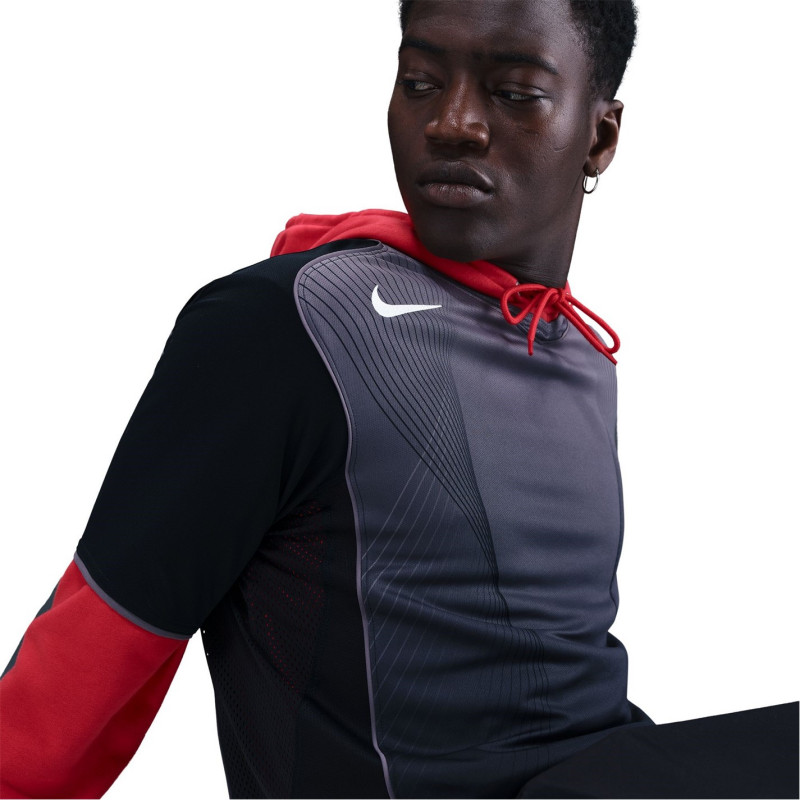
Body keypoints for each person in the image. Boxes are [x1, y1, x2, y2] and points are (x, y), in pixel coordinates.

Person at [1, 2, 797, 798]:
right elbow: (82, 669)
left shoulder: (579, 352)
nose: (452, 123)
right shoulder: (285, 328)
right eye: (419, 82)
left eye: (513, 93)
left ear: (600, 137)